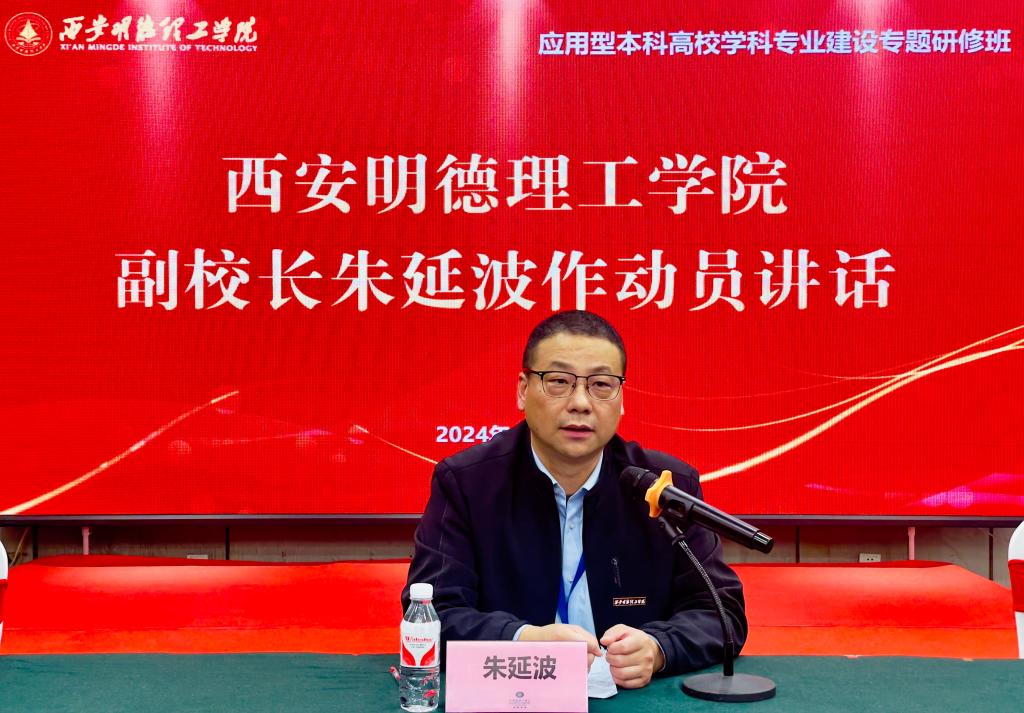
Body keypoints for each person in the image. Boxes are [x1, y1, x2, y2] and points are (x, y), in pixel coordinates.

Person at [403, 310, 746, 688]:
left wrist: (660, 647)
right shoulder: (467, 484)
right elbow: (432, 613)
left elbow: (721, 612)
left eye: (601, 384)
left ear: (621, 398)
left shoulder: (665, 487)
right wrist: (523, 640)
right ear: (522, 390)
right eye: (559, 381)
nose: (581, 402)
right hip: (515, 696)